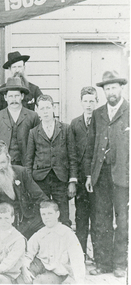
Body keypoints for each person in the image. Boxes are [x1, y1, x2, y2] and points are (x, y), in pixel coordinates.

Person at [83, 70, 129, 278]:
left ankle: (120, 263)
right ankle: (103, 263)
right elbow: (91, 146)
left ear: (121, 88)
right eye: (107, 88)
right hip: (100, 175)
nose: (111, 92)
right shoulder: (98, 114)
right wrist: (89, 175)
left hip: (123, 176)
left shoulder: (129, 111)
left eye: (114, 87)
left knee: (123, 220)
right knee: (101, 219)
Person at [0, 140, 48, 241]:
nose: (0, 167)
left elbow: (41, 199)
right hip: (1, 228)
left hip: (28, 225)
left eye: (3, 162)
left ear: (9, 160)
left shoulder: (21, 172)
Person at [24, 95, 78, 226]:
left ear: (54, 108)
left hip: (60, 179)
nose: (46, 111)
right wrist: (29, 183)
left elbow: (72, 156)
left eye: (48, 107)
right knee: (41, 215)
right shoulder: (33, 132)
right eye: (42, 108)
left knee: (63, 215)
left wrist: (72, 181)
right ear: (37, 110)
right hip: (40, 180)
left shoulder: (65, 129)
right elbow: (29, 160)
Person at [18, 201, 85, 284]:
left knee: (40, 281)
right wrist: (24, 268)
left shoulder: (67, 233)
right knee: (22, 277)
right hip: (42, 265)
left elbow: (77, 258)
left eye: (50, 213)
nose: (47, 217)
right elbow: (28, 253)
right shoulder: (40, 233)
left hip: (59, 271)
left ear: (57, 214)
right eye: (43, 214)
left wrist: (79, 281)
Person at [0, 77, 40, 172]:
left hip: (26, 168)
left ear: (22, 96)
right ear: (5, 98)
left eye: (17, 96)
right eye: (11, 96)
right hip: (2, 167)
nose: (14, 100)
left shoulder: (32, 116)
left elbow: (39, 145)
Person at [70, 86, 98, 257]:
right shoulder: (75, 123)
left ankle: (98, 256)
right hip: (80, 179)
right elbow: (72, 153)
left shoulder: (101, 121)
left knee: (97, 217)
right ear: (81, 102)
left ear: (97, 102)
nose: (88, 105)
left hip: (97, 178)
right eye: (85, 101)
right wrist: (73, 178)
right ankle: (80, 255)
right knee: (81, 218)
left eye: (92, 101)